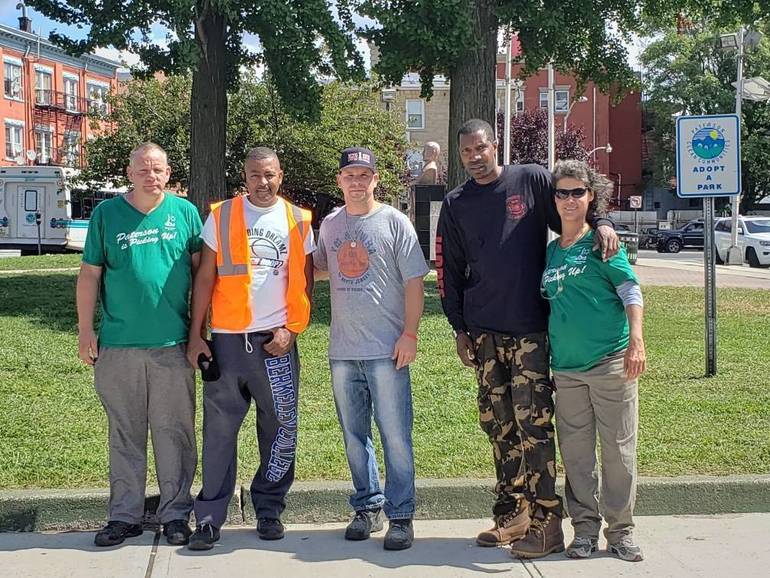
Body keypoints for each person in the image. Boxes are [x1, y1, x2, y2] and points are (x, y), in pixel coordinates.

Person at [436, 119, 619, 558]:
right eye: (466, 152)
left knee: (533, 426)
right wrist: (459, 328)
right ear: (459, 156)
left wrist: (604, 221)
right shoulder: (456, 202)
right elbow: (448, 271)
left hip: (531, 331)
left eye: (481, 148)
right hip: (483, 333)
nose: (475, 157)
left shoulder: (532, 178)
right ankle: (512, 516)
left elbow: (573, 197)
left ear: (494, 145)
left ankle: (547, 524)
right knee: (499, 426)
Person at [185, 147, 314, 550]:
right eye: (256, 175)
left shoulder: (298, 220)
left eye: (270, 175)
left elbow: (306, 282)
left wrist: (291, 330)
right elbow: (205, 277)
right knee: (219, 432)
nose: (264, 182)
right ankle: (209, 517)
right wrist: (196, 334)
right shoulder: (222, 216)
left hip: (275, 343)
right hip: (226, 343)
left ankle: (269, 508)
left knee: (280, 429)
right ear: (244, 176)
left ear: (281, 175)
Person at [77, 142, 202, 547]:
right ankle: (124, 515)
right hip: (118, 345)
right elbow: (90, 276)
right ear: (130, 172)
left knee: (174, 433)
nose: (152, 175)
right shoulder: (106, 215)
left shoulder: (185, 213)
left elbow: (203, 277)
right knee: (125, 432)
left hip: (173, 344)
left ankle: (176, 514)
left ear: (168, 173)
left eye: (159, 169)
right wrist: (85, 329)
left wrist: (200, 331)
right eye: (144, 169)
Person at [314, 147, 429, 551]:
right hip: (343, 350)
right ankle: (366, 505)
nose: (357, 182)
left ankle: (401, 515)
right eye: (350, 175)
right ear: (340, 181)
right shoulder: (330, 225)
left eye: (365, 175)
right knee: (353, 435)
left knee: (395, 435)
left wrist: (410, 334)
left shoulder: (395, 223)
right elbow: (317, 267)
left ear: (375, 179)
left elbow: (415, 281)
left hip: (387, 349)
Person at [543, 160, 645, 562]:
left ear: (591, 197)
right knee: (577, 454)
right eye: (562, 193)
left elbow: (630, 292)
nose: (569, 200)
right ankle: (584, 530)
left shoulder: (604, 243)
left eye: (577, 192)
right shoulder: (552, 250)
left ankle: (621, 532)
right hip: (566, 371)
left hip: (610, 363)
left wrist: (636, 340)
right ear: (555, 200)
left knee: (618, 452)